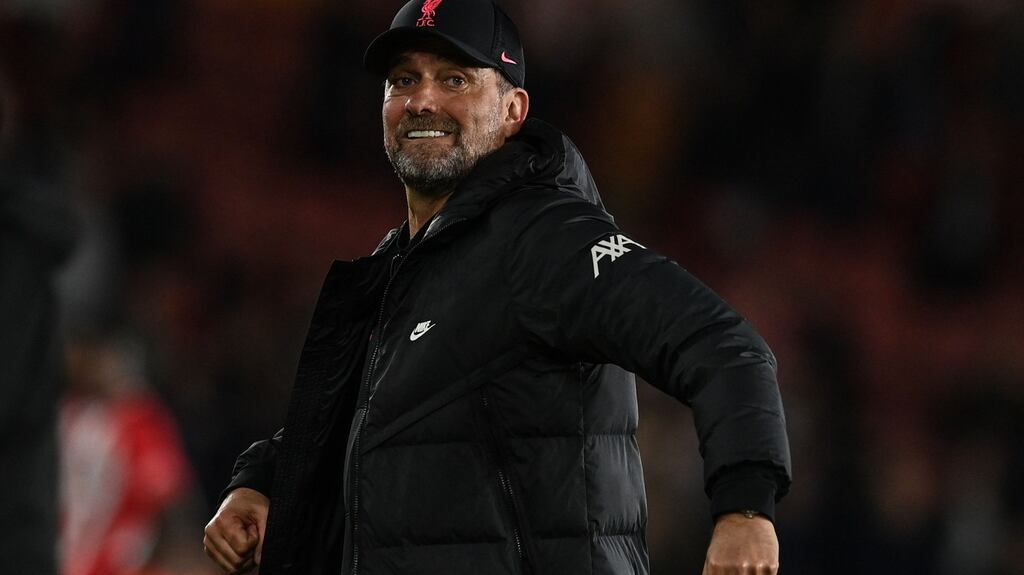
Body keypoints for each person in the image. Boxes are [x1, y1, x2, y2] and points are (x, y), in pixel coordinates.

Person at [203, 1, 792, 574]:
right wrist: (265, 484)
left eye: (454, 79)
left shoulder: (544, 239)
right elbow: (368, 425)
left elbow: (722, 345)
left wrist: (745, 507)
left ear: (513, 111)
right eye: (403, 79)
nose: (422, 99)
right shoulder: (399, 267)